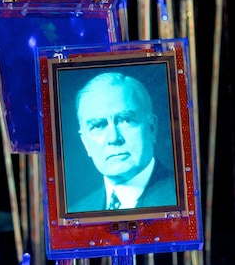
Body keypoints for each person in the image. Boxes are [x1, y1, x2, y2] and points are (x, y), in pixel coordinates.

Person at [68, 72, 177, 213]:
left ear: (152, 128)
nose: (114, 138)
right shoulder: (76, 212)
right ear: (85, 143)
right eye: (98, 125)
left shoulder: (185, 197)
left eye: (125, 120)